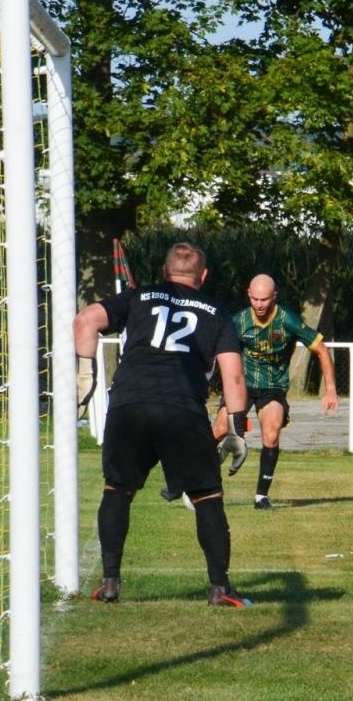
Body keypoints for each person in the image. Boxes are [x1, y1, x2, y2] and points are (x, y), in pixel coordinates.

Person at [73, 242, 253, 607]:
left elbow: (85, 320)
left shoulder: (139, 297)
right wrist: (234, 430)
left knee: (117, 489)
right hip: (182, 408)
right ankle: (219, 588)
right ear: (203, 276)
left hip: (129, 404)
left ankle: (109, 583)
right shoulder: (218, 314)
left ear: (164, 271)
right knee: (207, 496)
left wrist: (84, 376)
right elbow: (233, 378)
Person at [212, 274, 338, 510]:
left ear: (274, 297)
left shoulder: (287, 319)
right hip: (243, 386)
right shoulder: (238, 321)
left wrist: (330, 389)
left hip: (273, 387)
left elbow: (321, 349)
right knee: (219, 428)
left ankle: (261, 497)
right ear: (249, 294)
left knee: (271, 433)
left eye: (264, 300)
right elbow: (220, 354)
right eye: (255, 299)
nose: (259, 305)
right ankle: (194, 480)